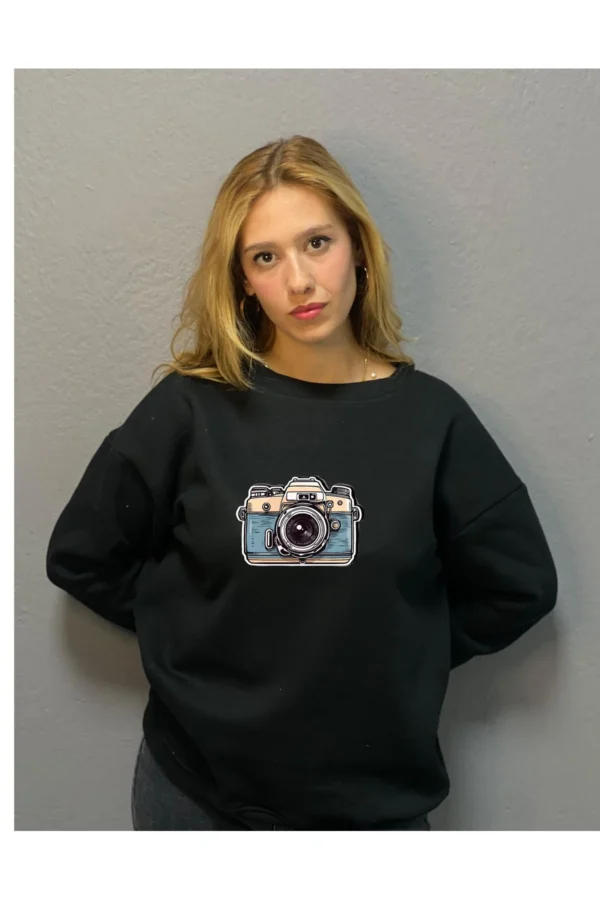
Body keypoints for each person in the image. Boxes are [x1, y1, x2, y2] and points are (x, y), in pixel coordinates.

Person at [46, 134, 558, 831]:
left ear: (358, 246)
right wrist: (191, 637)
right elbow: (82, 556)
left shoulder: (430, 419)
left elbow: (519, 586)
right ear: (242, 280)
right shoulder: (192, 409)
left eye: (317, 243)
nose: (299, 281)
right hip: (196, 792)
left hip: (371, 805)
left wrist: (400, 652)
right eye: (265, 257)